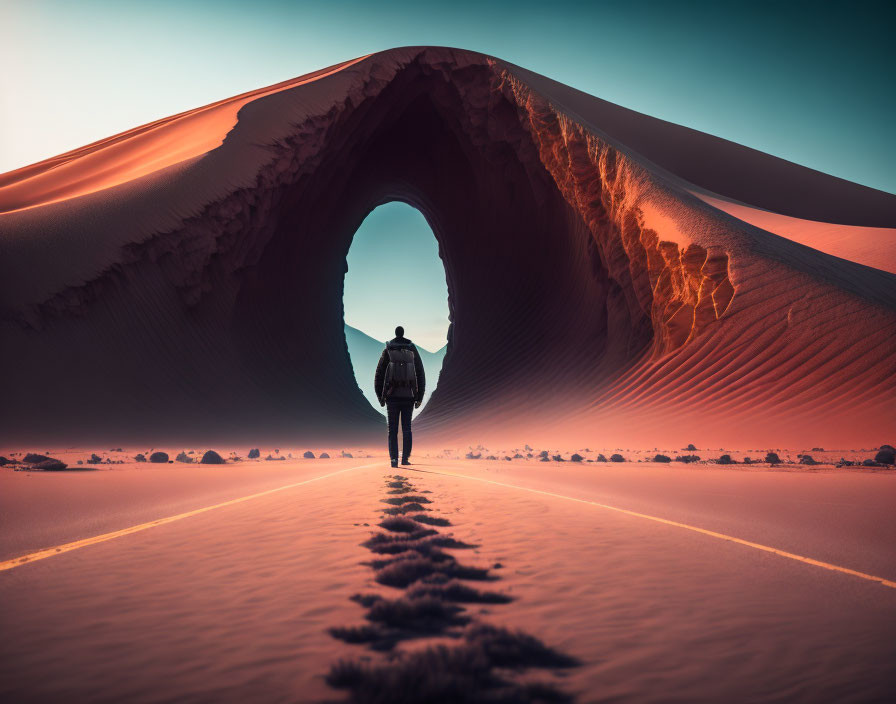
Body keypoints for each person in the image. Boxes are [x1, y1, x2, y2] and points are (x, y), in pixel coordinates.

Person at [374, 325, 425, 467]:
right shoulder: (412, 349)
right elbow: (420, 373)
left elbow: (379, 374)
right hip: (409, 396)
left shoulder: (388, 349)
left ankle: (394, 460)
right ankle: (405, 459)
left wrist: (380, 396)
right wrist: (419, 396)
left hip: (392, 396)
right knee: (407, 428)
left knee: (393, 430)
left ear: (395, 334)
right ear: (403, 334)